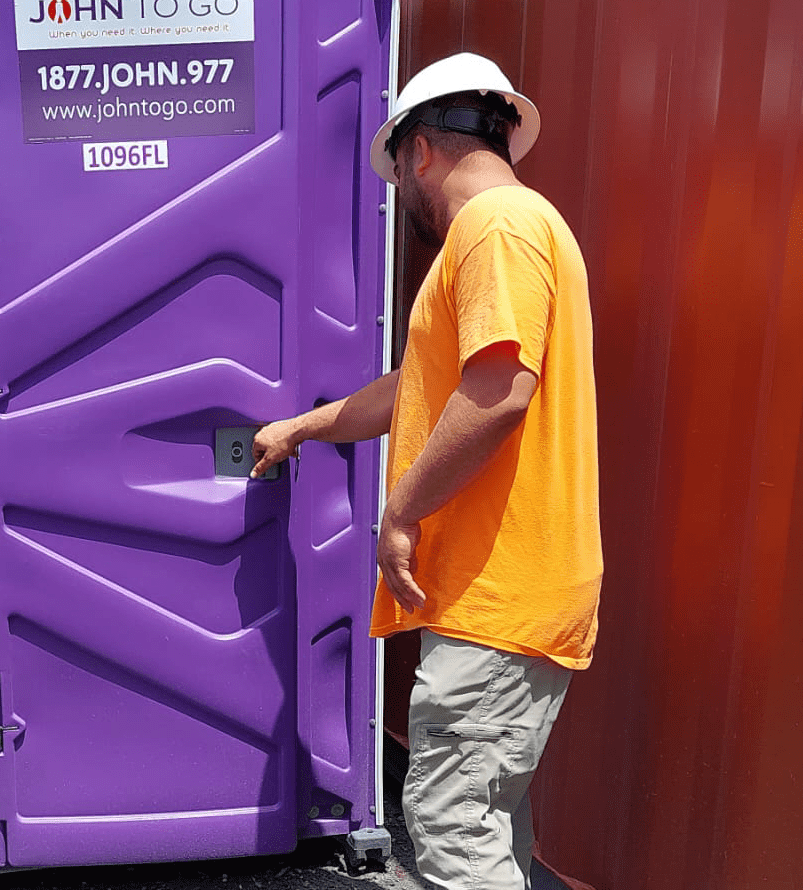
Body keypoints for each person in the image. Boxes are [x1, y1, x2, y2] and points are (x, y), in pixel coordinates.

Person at [251, 52, 601, 890]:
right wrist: (303, 427)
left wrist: (398, 513)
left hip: (500, 594)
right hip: (509, 593)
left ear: (417, 152)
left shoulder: (496, 228)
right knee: (487, 825)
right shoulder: (511, 230)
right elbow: (422, 385)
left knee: (452, 828)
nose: (399, 192)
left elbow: (499, 389)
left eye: (395, 172)